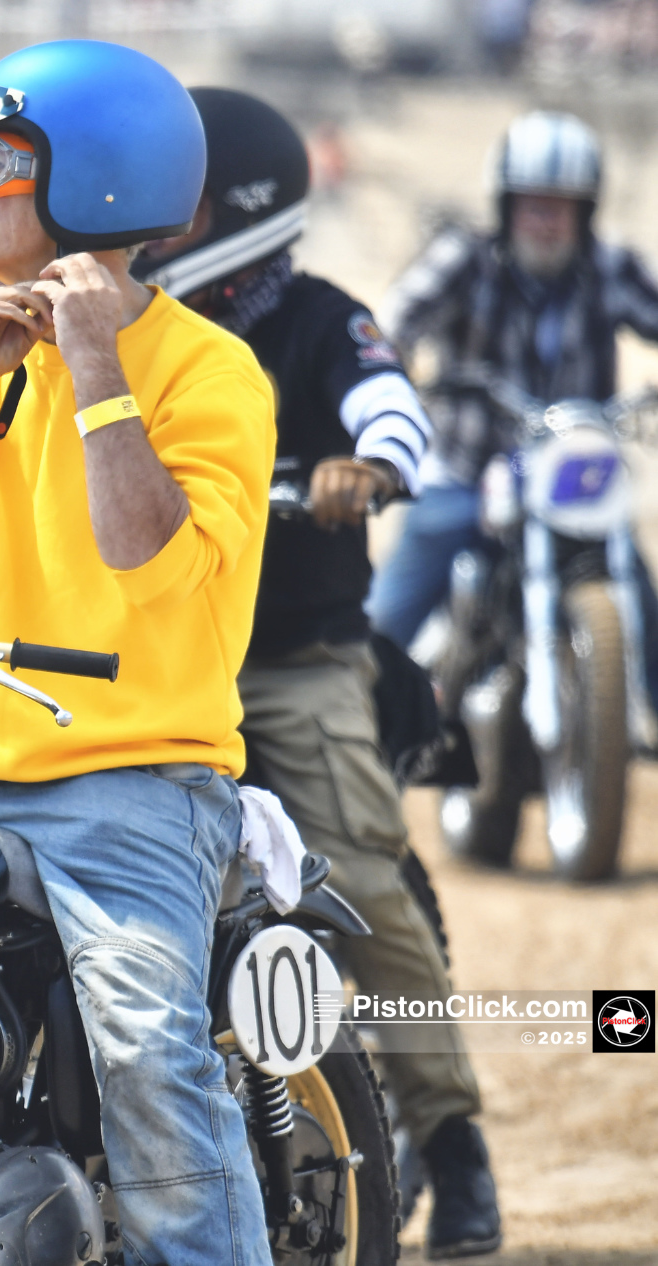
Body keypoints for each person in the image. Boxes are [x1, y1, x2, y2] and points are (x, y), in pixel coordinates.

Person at [0, 41, 278, 1263]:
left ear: (95, 182)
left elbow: (151, 560)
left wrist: (92, 367)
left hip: (133, 782)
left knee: (144, 1046)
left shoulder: (209, 372)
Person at [138, 87, 502, 1261]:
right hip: (147, 667)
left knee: (372, 879)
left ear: (240, 205)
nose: (155, 218)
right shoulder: (128, 322)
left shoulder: (315, 318)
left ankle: (452, 1146)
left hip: (292, 664)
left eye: (181, 200)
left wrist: (367, 466)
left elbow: (393, 408)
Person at [366, 111, 658, 650]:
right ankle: (366, 721)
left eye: (561, 207)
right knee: (381, 631)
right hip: (470, 472)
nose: (545, 221)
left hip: (574, 477)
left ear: (585, 211)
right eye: (532, 205)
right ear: (506, 207)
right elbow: (392, 323)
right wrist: (391, 369)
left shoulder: (609, 266)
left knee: (642, 606)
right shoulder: (464, 259)